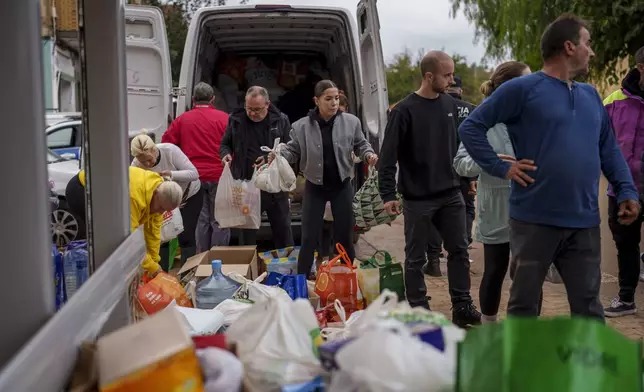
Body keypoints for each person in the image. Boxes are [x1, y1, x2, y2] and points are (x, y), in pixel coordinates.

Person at [459, 14, 640, 322]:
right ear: (569, 47)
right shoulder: (522, 89)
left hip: (583, 222)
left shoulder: (589, 96)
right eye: (587, 44)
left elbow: (608, 147)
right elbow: (471, 127)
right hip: (533, 221)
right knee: (525, 306)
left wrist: (626, 189)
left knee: (589, 308)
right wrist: (499, 167)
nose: (591, 51)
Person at [378, 50, 481, 327]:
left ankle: (462, 306)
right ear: (429, 75)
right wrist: (388, 194)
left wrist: (466, 180)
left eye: (451, 74)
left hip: (450, 194)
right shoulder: (403, 111)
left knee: (459, 250)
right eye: (446, 75)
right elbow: (387, 158)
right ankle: (420, 310)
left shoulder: (449, 105)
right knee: (415, 258)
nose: (451, 80)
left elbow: (456, 150)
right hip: (417, 198)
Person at [453, 61, 532, 323]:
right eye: (527, 80)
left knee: (528, 273)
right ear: (510, 87)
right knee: (495, 270)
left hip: (531, 205)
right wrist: (490, 160)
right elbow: (461, 164)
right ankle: (489, 329)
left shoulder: (535, 115)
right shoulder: (482, 118)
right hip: (496, 207)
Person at [276, 80, 378, 276]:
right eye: (328, 99)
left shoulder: (351, 122)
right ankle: (303, 280)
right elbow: (292, 150)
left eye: (336, 98)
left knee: (344, 237)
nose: (333, 103)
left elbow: (361, 144)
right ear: (317, 100)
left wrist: (369, 155)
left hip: (342, 186)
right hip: (315, 187)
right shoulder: (301, 126)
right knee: (308, 238)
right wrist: (278, 155)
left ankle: (347, 277)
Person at [65, 166, 183, 275]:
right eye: (161, 208)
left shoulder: (161, 193)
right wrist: (151, 267)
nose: (161, 213)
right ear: (156, 193)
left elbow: (153, 233)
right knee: (106, 239)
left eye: (165, 210)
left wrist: (155, 263)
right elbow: (129, 240)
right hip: (82, 190)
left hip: (106, 192)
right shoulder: (133, 198)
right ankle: (94, 276)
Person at [220, 86, 294, 248]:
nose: (253, 113)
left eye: (258, 109)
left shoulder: (281, 120)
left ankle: (287, 268)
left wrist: (271, 158)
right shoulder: (235, 119)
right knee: (247, 234)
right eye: (249, 109)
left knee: (283, 230)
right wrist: (225, 154)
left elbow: (290, 149)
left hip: (275, 187)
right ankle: (249, 269)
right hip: (247, 186)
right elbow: (225, 144)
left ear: (267, 104)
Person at [162, 82, 230, 252]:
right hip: (219, 175)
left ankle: (201, 259)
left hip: (194, 179)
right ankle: (219, 260)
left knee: (201, 219)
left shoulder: (182, 120)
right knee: (220, 219)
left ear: (193, 99)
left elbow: (166, 144)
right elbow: (235, 145)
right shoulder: (225, 118)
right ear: (213, 99)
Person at [602, 45, 644, 317]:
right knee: (626, 245)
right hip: (623, 188)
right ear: (641, 67)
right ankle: (626, 298)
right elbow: (598, 141)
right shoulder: (613, 101)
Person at [425, 75, 477, 277]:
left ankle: (434, 260)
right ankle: (461, 251)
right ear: (461, 90)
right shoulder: (471, 109)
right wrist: (474, 178)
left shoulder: (437, 107)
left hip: (439, 169)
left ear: (446, 88)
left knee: (436, 211)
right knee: (466, 208)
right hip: (465, 168)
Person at [130, 134, 202, 270]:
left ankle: (186, 275)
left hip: (188, 194)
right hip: (160, 200)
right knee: (162, 238)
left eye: (149, 160)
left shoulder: (170, 151)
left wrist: (171, 175)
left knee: (186, 237)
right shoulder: (135, 164)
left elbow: (194, 174)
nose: (146, 164)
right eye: (142, 161)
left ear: (153, 150)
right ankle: (161, 273)